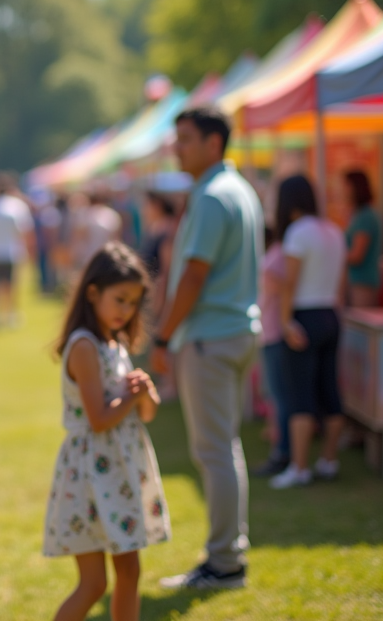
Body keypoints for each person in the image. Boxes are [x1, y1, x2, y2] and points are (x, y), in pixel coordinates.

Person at [151, 106, 262, 591]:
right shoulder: (233, 189)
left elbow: (194, 274)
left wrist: (161, 335)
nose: (177, 148)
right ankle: (225, 556)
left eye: (185, 139)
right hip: (230, 332)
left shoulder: (214, 195)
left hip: (211, 336)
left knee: (214, 451)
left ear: (212, 143)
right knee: (223, 448)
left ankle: (224, 562)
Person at [45, 242, 170, 621]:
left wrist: (145, 392)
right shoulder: (84, 346)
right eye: (120, 299)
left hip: (120, 471)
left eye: (133, 302)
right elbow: (98, 418)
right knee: (94, 583)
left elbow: (147, 413)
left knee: (130, 571)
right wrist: (130, 400)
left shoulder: (115, 344)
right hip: (92, 475)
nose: (126, 310)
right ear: (93, 293)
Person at [268, 175, 347, 489]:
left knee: (300, 395)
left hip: (304, 315)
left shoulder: (298, 233)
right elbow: (341, 281)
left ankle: (299, 467)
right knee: (330, 391)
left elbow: (290, 281)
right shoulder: (333, 231)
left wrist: (286, 321)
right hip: (330, 313)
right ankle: (328, 459)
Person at [251, 227, 292, 477]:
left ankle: (282, 451)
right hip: (270, 330)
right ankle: (279, 443)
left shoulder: (278, 254)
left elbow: (282, 287)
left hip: (275, 330)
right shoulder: (278, 253)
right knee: (274, 393)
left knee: (279, 395)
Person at [0, 173, 35, 327]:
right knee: (11, 285)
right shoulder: (16, 206)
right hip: (12, 251)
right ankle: (11, 314)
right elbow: (25, 230)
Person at [343, 171, 381, 307]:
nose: (343, 190)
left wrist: (333, 254)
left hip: (363, 282)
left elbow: (357, 255)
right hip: (355, 281)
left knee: (360, 323)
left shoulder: (366, 217)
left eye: (345, 186)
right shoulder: (357, 215)